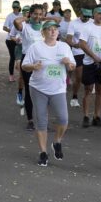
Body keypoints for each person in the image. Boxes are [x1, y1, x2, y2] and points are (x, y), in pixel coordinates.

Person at [21, 20, 75, 166]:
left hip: (58, 90)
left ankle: (57, 141)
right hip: (38, 89)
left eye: (55, 29)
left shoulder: (64, 47)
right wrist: (33, 66)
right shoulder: (35, 47)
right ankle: (43, 153)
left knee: (63, 119)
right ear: (43, 32)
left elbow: (72, 66)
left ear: (58, 32)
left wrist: (68, 64)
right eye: (49, 29)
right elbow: (24, 66)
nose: (52, 32)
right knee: (41, 121)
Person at [76, 6, 101, 128]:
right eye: (99, 14)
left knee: (100, 90)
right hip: (89, 63)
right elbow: (82, 44)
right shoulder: (87, 27)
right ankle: (86, 116)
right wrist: (94, 56)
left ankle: (97, 116)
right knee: (88, 90)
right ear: (94, 15)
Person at [13, 4, 46, 129]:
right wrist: (25, 17)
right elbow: (16, 21)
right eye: (35, 14)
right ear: (30, 14)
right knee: (30, 91)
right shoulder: (25, 27)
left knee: (43, 92)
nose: (38, 16)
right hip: (28, 63)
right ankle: (30, 120)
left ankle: (42, 120)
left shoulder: (44, 27)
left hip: (43, 64)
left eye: (40, 14)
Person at [66, 8, 91, 107]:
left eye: (89, 16)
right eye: (85, 16)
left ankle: (87, 96)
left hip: (89, 52)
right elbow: (68, 39)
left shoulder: (92, 23)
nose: (87, 18)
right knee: (79, 76)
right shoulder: (73, 23)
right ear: (80, 14)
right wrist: (74, 44)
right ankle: (74, 97)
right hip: (78, 52)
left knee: (88, 78)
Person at [3, 1, 22, 84]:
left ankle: (22, 74)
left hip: (20, 40)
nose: (15, 9)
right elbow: (4, 27)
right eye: (14, 7)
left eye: (17, 7)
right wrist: (12, 31)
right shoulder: (10, 16)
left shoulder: (22, 16)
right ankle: (11, 75)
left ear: (19, 7)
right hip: (10, 40)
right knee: (13, 57)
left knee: (20, 57)